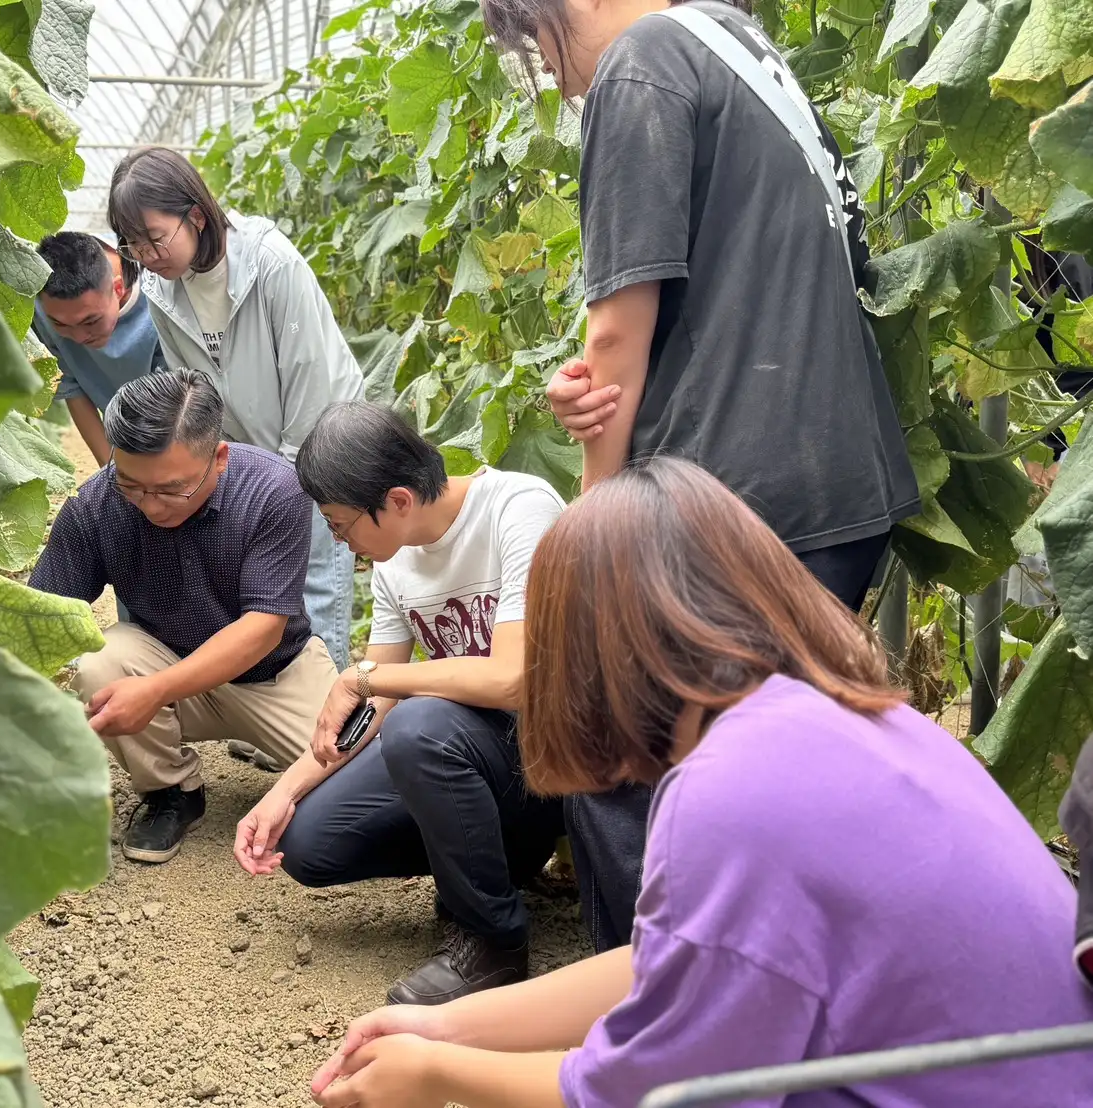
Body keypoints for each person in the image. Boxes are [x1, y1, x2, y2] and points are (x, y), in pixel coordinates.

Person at [309, 458, 1093, 1108]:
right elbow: (672, 957)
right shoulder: (834, 718)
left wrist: (437, 1075)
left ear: (596, 643)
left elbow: (656, 1096)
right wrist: (451, 1028)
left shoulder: (733, 791)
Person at [481, 0, 921, 956]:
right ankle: (778, 1018)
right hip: (829, 482)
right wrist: (599, 382)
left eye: (540, 48)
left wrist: (596, 522)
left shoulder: (640, 65)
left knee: (619, 763)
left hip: (731, 502)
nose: (556, 82)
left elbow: (616, 328)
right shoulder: (743, 46)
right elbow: (732, 289)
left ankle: (668, 1037)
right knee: (772, 779)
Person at [233, 401, 566, 1006]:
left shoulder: (519, 510)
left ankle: (492, 941)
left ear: (398, 501)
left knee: (420, 725)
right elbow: (375, 706)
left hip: (554, 765)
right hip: (472, 763)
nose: (340, 541)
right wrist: (281, 793)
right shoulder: (396, 565)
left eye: (340, 524)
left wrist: (364, 679)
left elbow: (515, 680)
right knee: (308, 842)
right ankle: (489, 871)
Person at [28, 368, 336, 863]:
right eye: (132, 486)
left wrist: (153, 691)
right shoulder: (96, 505)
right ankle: (171, 792)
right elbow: (43, 616)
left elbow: (263, 630)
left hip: (275, 674)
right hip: (165, 663)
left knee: (352, 775)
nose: (150, 505)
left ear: (218, 457)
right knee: (100, 661)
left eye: (171, 490)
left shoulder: (274, 491)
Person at [107, 146, 362, 673]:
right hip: (248, 444)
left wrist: (292, 478)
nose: (147, 256)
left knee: (316, 575)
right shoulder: (159, 287)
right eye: (133, 245)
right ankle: (270, 702)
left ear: (195, 215)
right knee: (259, 584)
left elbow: (309, 376)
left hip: (322, 438)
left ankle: (330, 716)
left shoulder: (271, 264)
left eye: (154, 238)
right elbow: (193, 392)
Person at [34, 230, 164, 467]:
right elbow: (72, 389)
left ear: (118, 288)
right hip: (118, 424)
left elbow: (177, 401)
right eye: (60, 324)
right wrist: (113, 473)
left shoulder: (160, 290)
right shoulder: (42, 304)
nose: (79, 337)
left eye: (90, 321)